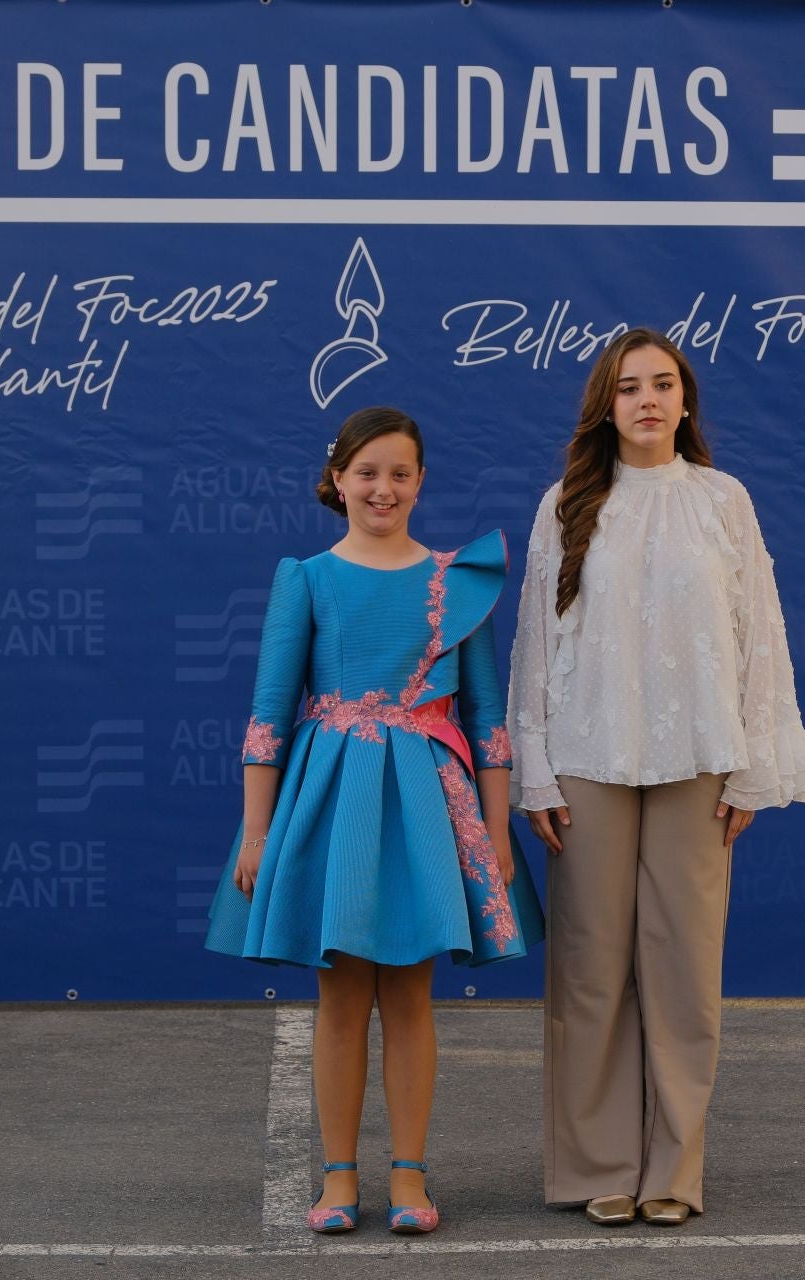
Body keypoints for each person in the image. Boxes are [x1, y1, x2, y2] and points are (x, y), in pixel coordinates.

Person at [508, 328, 805, 1227]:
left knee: (685, 969)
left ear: (685, 402)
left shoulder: (724, 501)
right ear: (604, 407)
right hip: (588, 755)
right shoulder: (567, 504)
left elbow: (760, 634)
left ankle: (674, 1170)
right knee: (590, 969)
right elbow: (535, 641)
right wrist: (537, 771)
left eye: (662, 384)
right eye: (627, 387)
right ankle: (598, 1165)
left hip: (699, 758)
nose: (646, 399)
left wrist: (753, 767)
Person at [205, 406, 544, 1236]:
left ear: (421, 481)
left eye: (399, 473)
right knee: (341, 995)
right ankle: (337, 1177)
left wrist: (497, 834)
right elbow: (268, 714)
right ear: (338, 481)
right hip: (332, 803)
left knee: (413, 994)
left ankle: (409, 1175)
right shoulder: (309, 578)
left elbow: (487, 716)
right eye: (367, 473)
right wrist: (256, 832)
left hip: (429, 806)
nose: (382, 487)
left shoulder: (456, 580)